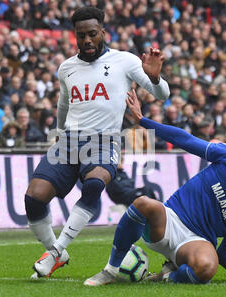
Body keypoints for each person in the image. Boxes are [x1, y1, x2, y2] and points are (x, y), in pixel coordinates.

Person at [84, 89, 226, 286]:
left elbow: (224, 254)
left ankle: (167, 276)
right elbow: (186, 140)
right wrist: (142, 121)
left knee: (207, 268)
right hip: (170, 219)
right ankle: (110, 270)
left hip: (197, 241)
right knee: (144, 203)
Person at [26, 6, 169, 279]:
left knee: (93, 184)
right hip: (69, 141)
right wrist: (58, 134)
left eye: (92, 34)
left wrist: (154, 77)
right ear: (75, 36)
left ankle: (55, 253)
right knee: (34, 198)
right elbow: (63, 105)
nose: (87, 40)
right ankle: (56, 252)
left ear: (103, 32)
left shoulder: (124, 61)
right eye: (81, 36)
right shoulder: (66, 68)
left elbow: (162, 95)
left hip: (105, 141)